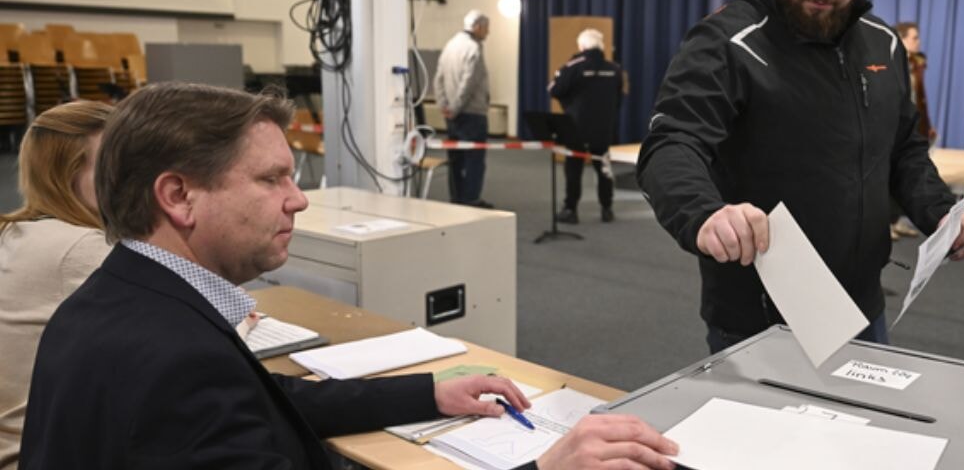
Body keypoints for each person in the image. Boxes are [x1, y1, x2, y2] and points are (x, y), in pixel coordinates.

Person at [20, 83, 676, 469]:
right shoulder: (173, 359)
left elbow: (268, 397)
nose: (298, 199)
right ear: (178, 196)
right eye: (272, 179)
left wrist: (427, 395)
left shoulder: (119, 297)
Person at [638, 0, 964, 353]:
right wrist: (706, 214)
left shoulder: (883, 42)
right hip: (758, 322)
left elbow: (904, 148)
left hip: (863, 309)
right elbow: (671, 144)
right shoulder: (727, 42)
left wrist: (940, 212)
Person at [0, 101, 112, 468]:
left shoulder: (14, 231)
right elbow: (180, 331)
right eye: (113, 166)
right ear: (66, 175)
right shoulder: (80, 247)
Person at [550, 28, 624, 224]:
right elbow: (619, 98)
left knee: (573, 167)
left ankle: (570, 209)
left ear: (581, 46)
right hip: (603, 128)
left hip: (576, 126)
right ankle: (607, 209)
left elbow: (554, 89)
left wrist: (569, 103)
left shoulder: (574, 66)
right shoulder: (614, 69)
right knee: (604, 167)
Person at [435, 10, 494, 208]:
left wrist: (444, 106)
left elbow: (438, 78)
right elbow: (468, 84)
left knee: (455, 159)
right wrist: (455, 107)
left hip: (452, 115)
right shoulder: (474, 49)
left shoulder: (450, 45)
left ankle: (457, 197)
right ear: (477, 27)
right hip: (471, 114)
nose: (488, 32)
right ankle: (471, 199)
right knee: (474, 160)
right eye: (486, 28)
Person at [888, 21, 933, 240]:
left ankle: (896, 221)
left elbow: (919, 99)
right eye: (914, 38)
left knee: (907, 175)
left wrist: (927, 126)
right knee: (887, 177)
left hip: (912, 126)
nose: (918, 42)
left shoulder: (916, 64)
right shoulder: (888, 63)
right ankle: (885, 223)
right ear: (901, 38)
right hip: (892, 128)